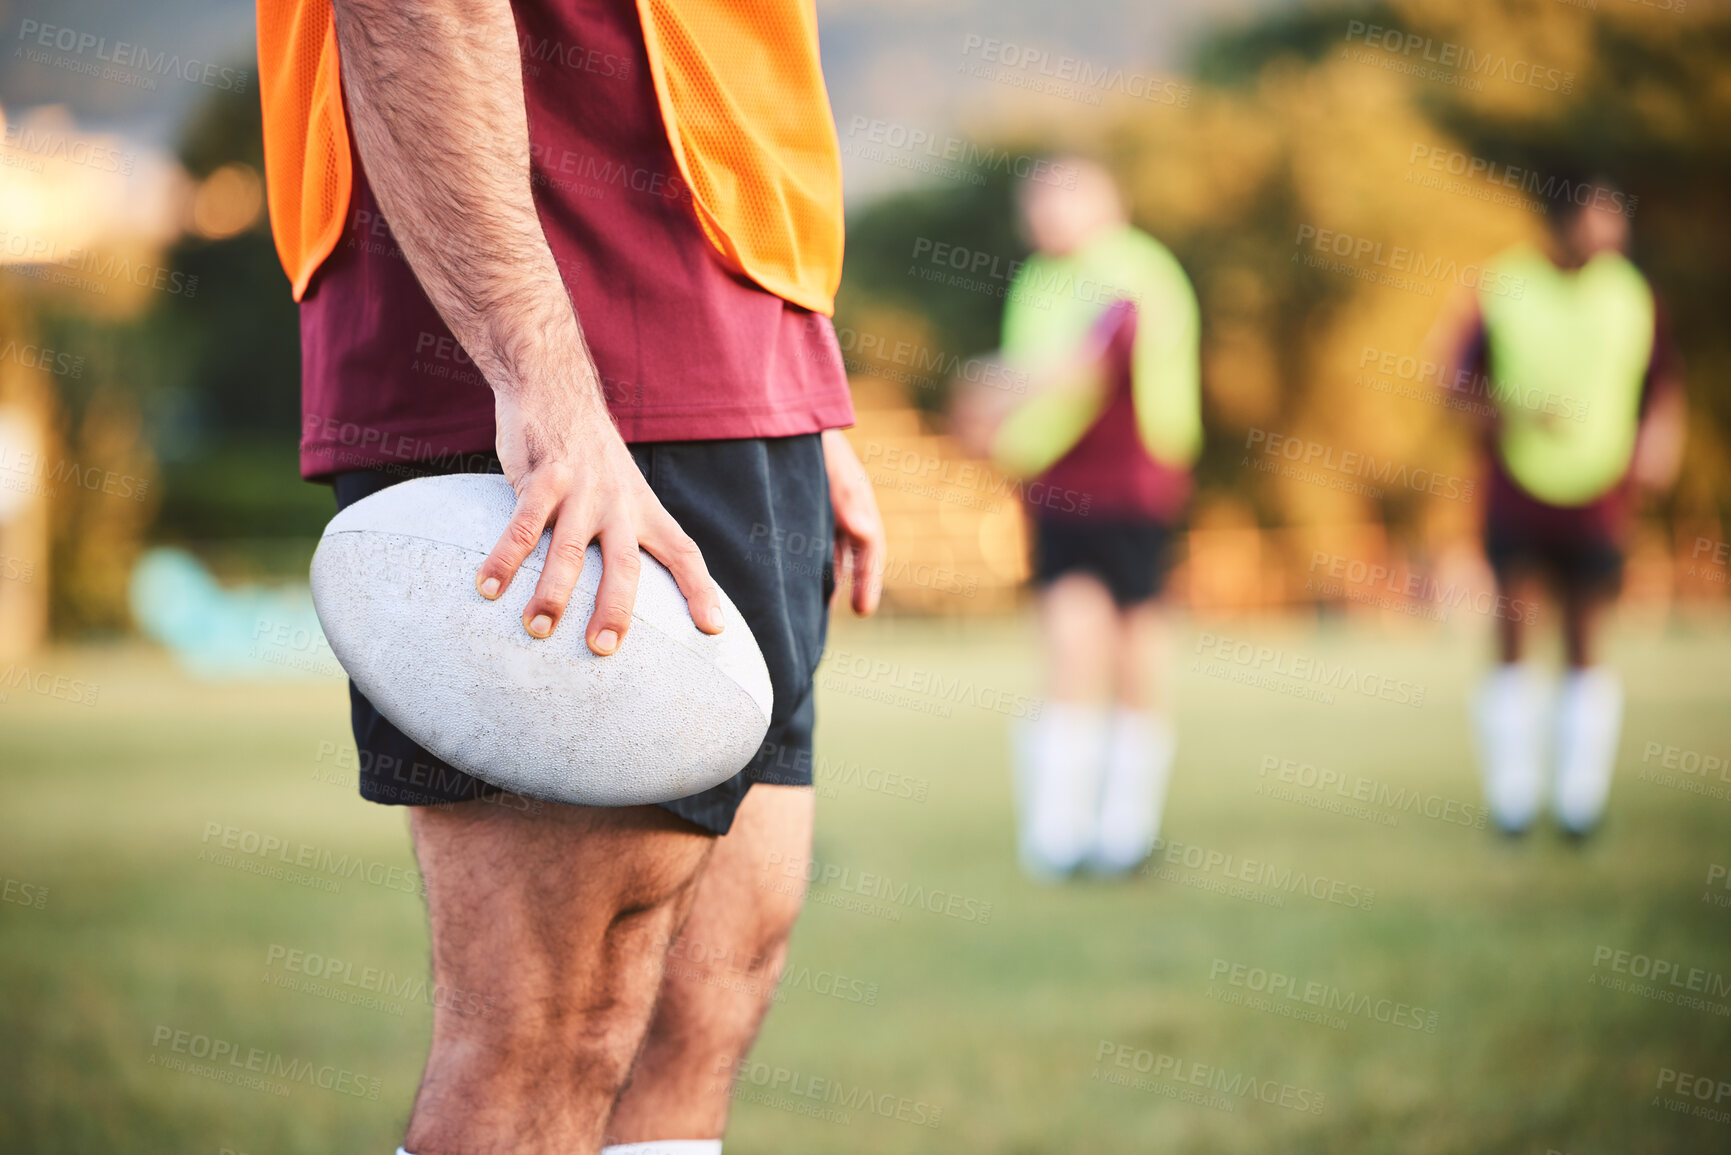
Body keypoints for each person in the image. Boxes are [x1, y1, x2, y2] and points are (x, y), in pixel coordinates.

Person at [254, 2, 884, 1153]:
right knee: (555, 1020)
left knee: (709, 991)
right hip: (544, 311)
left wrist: (794, 366)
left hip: (738, 333)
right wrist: (536, 373)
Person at [969, 158, 1202, 880]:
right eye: (1036, 205)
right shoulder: (1037, 278)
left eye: (1060, 201)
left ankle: (1124, 834)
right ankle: (1057, 837)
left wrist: (989, 387)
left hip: (1133, 486)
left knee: (1136, 652)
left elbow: (1085, 365)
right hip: (1056, 487)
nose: (1045, 218)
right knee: (1069, 650)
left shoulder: (1136, 272)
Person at [1445, 179, 1684, 837]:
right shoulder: (1505, 286)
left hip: (1599, 496)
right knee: (1513, 635)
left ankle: (1579, 803)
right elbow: (1454, 388)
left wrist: (1659, 440)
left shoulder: (1630, 296)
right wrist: (1518, 413)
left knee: (1586, 638)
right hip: (1518, 492)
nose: (1608, 238)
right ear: (1561, 222)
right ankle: (1512, 800)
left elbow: (1661, 387)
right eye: (1594, 223)